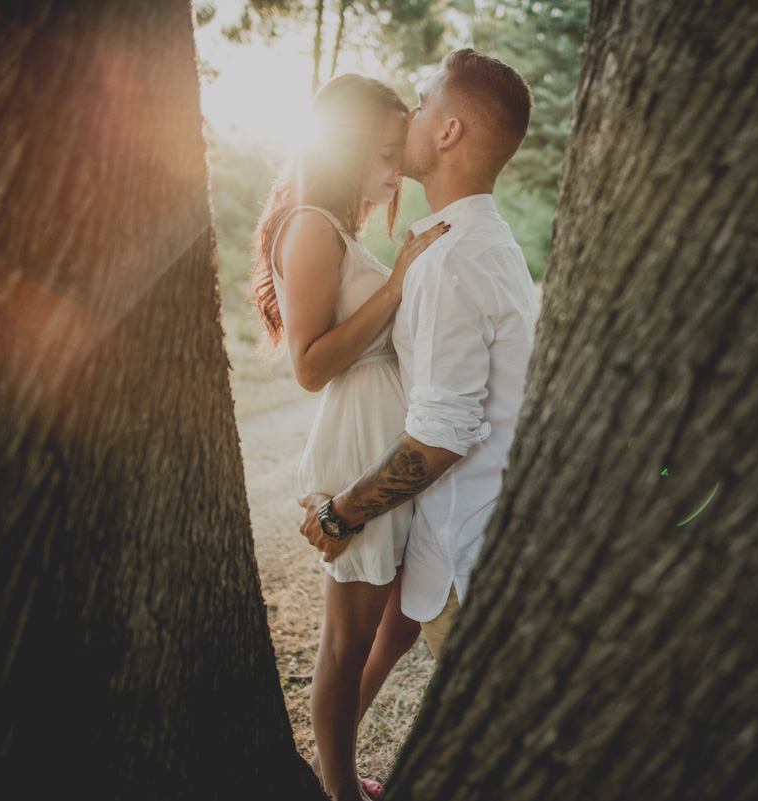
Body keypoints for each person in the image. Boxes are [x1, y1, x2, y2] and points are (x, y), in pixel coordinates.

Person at [298, 48, 537, 666]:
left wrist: (339, 513)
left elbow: (438, 439)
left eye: (424, 102)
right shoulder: (491, 242)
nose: (411, 112)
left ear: (448, 131)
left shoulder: (449, 261)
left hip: (467, 553)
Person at [249, 73, 448, 801]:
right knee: (347, 643)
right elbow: (308, 365)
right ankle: (335, 788)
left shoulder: (343, 230)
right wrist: (396, 287)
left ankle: (334, 747)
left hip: (386, 440)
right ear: (348, 147)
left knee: (401, 623)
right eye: (386, 152)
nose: (398, 170)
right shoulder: (310, 226)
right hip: (355, 443)